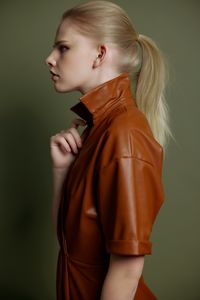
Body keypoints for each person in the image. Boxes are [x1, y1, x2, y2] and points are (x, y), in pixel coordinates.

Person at [45, 1, 173, 299]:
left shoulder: (124, 135)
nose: (49, 59)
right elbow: (70, 246)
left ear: (100, 54)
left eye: (63, 48)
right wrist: (61, 170)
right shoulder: (99, 130)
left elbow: (127, 270)